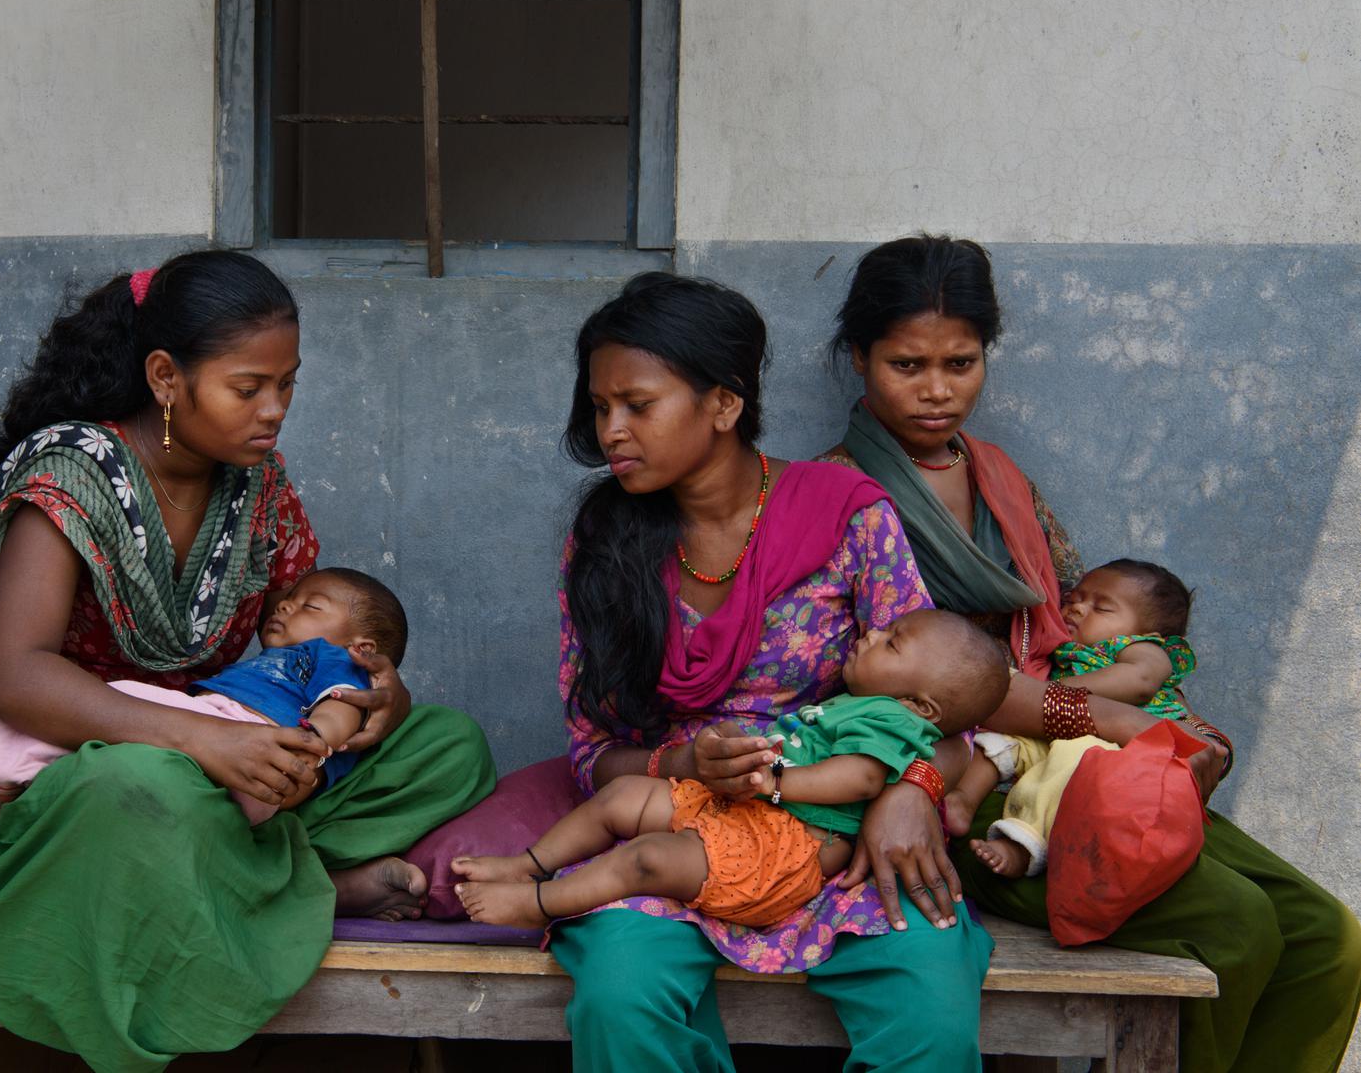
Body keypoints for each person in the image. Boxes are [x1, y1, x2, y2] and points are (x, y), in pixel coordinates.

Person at [0, 250, 495, 1073]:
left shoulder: (257, 486)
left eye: (286, 385)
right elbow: (16, 677)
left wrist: (367, 705)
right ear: (165, 377)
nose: (274, 409)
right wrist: (207, 743)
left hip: (214, 765)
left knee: (446, 744)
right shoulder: (70, 473)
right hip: (78, 770)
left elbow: (297, 645)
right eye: (247, 387)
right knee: (138, 790)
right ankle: (280, 875)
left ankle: (242, 859)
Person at [819, 233, 1361, 1073]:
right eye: (906, 364)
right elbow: (892, 683)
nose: (936, 391)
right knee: (1236, 927)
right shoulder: (835, 500)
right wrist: (1098, 716)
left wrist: (1168, 724)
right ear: (858, 359)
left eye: (959, 364)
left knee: (1327, 937)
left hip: (1070, 761)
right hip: (955, 791)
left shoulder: (1001, 479)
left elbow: (1068, 633)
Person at [547, 272, 993, 1073]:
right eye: (600, 407)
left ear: (723, 404)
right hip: (675, 834)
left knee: (930, 1016)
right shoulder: (605, 543)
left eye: (637, 405)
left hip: (833, 841)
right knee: (620, 998)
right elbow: (591, 750)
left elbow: (938, 707)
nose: (612, 430)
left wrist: (906, 791)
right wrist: (682, 764)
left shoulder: (845, 514)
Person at [454, 610, 1008, 934]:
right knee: (622, 795)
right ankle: (527, 864)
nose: (871, 635)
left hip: (780, 846)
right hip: (746, 809)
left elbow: (861, 778)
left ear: (923, 705)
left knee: (643, 860)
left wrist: (776, 784)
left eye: (892, 644)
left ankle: (537, 904)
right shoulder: (861, 704)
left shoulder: (890, 721)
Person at [0, 566, 407, 842]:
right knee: (107, 759)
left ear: (361, 646)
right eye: (291, 598)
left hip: (256, 747)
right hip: (222, 764)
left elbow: (342, 706)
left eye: (310, 606)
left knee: (111, 701)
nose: (285, 605)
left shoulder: (334, 660)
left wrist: (314, 744)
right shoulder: (273, 665)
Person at [952, 559, 1198, 877]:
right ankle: (962, 800)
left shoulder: (1142, 648)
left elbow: (1140, 682)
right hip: (1062, 733)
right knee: (1001, 744)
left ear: (1147, 631)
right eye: (1074, 599)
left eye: (1102, 607)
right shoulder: (1067, 649)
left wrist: (1051, 691)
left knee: (1072, 760)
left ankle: (1023, 844)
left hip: (1117, 750)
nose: (1077, 608)